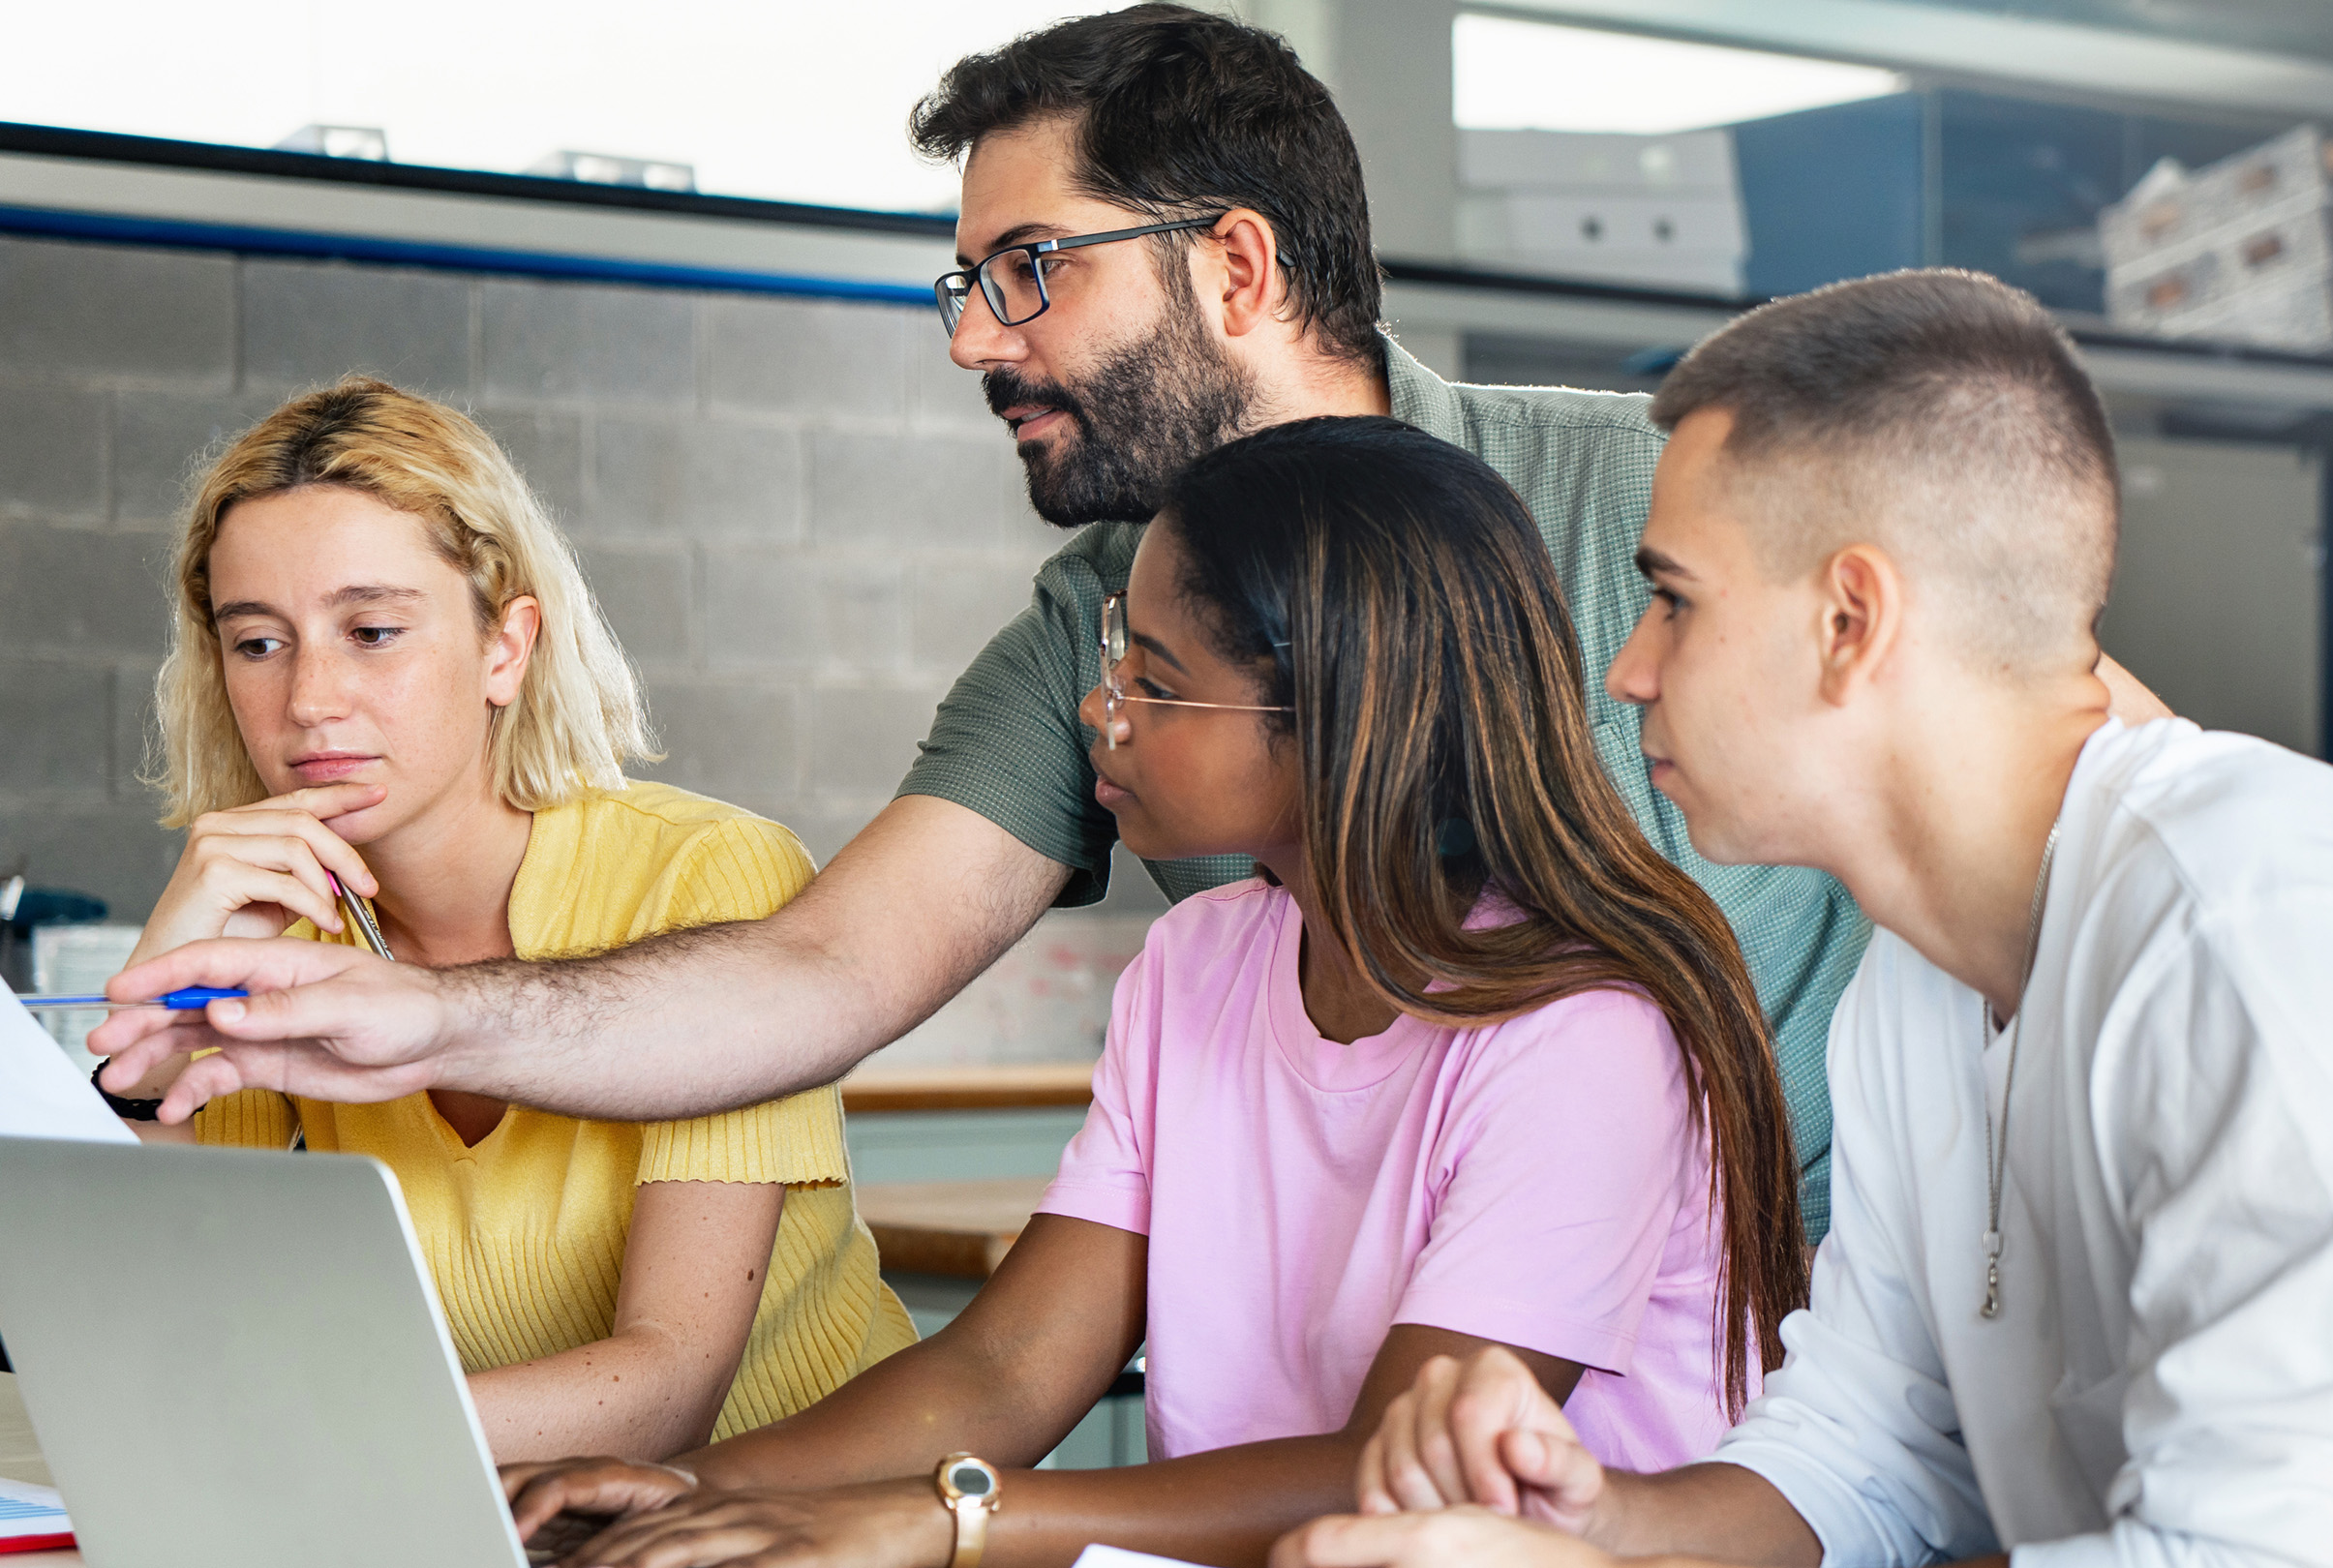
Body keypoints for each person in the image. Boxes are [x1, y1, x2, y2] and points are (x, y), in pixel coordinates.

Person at [95, 5, 2165, 1238]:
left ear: (1238, 263)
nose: (978, 342)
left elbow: (2101, 777)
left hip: (1813, 1348)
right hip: (1423, 1385)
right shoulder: (1091, 623)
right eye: (963, 285)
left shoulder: (1649, 494)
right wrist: (415, 1021)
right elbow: (826, 965)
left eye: (1028, 273)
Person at [1277, 272, 2333, 1568]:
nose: (1631, 672)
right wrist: (1591, 1521)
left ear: (1849, 622)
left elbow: (2263, 1552)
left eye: (1671, 599)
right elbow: (1874, 1446)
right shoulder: (1920, 985)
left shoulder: (2251, 932)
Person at [494, 417, 1808, 1568]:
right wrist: (685, 1491)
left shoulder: (1585, 1033)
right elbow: (1004, 1372)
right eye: (1120, 655)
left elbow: (1399, 1473)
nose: (1098, 710)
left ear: (1345, 716)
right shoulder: (1199, 964)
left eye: (1158, 682)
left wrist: (943, 1522)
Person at [112, 377, 917, 1463]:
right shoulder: (279, 936)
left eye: (374, 631)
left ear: (505, 647)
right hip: (494, 1519)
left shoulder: (708, 877)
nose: (309, 700)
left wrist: (312, 1428)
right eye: (259, 643)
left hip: (799, 1523)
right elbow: (168, 1335)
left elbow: (664, 1393)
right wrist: (150, 1031)